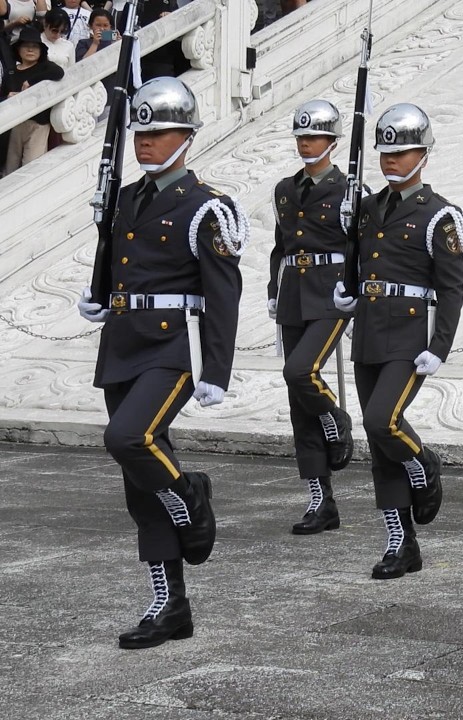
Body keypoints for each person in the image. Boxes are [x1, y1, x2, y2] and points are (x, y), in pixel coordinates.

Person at [75, 76, 247, 649]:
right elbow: (114, 256)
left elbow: (223, 294)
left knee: (128, 438)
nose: (145, 143)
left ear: (187, 136)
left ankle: (192, 496)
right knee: (137, 485)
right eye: (140, 133)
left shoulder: (207, 207)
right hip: (123, 343)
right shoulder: (126, 196)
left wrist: (216, 371)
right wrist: (98, 293)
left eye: (158, 133)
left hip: (175, 346)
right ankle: (170, 604)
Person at [330, 103, 463, 580]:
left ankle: (424, 465)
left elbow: (451, 287)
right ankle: (400, 542)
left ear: (424, 154)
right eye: (386, 151)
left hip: (410, 335)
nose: (391, 159)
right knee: (377, 438)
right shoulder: (366, 208)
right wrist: (347, 293)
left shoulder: (440, 215)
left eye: (402, 151)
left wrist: (440, 345)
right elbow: (357, 263)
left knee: (382, 420)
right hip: (369, 328)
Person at [269, 99, 354, 535]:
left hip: (330, 292)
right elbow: (280, 245)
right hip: (293, 294)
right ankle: (321, 502)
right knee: (297, 402)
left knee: (300, 372)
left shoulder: (350, 190)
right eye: (301, 137)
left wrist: (355, 289)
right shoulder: (285, 188)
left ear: (333, 142)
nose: (307, 143)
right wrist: (272, 290)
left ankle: (335, 417)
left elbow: (361, 245)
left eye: (315, 136)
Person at [2, 25, 64, 174]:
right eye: (26, 46)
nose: (30, 50)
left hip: (39, 124)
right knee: (10, 168)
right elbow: (2, 95)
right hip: (14, 124)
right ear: (18, 49)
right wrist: (8, 96)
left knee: (31, 166)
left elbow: (58, 72)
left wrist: (31, 81)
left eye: (34, 47)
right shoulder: (11, 72)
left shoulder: (45, 67)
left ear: (41, 50)